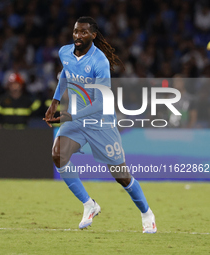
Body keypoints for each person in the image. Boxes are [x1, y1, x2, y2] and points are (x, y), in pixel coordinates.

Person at [43, 17, 156, 233]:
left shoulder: (100, 62)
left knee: (121, 176)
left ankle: (146, 213)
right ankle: (89, 204)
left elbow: (101, 101)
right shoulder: (64, 52)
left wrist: (68, 117)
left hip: (99, 122)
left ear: (93, 35)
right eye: (76, 31)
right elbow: (66, 74)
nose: (78, 36)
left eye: (83, 32)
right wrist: (55, 102)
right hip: (76, 119)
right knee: (58, 155)